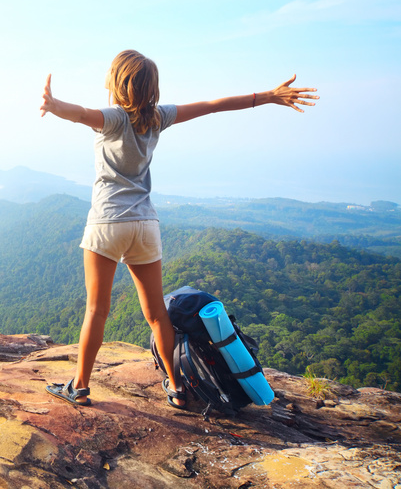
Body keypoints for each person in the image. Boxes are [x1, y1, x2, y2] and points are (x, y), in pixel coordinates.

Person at [40, 50, 318, 407]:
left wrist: (54, 103)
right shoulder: (158, 117)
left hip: (108, 221)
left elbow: (79, 114)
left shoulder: (112, 118)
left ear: (117, 83)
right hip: (145, 224)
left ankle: (79, 386)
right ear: (151, 88)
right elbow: (212, 105)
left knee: (97, 310)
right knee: (156, 313)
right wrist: (267, 97)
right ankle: (177, 387)